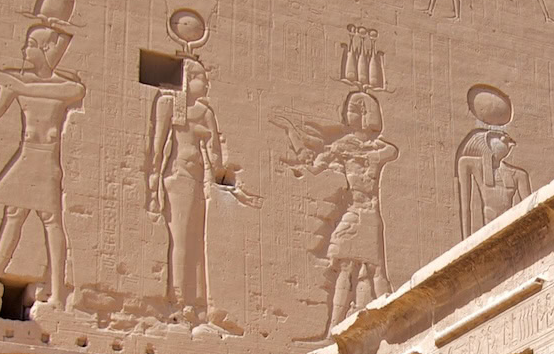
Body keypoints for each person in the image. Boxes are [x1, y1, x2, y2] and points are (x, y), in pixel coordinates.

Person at [0, 25, 86, 310]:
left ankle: (58, 293)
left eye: (31, 44)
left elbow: (25, 88)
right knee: (13, 217)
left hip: (46, 160)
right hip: (27, 155)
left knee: (51, 221)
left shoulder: (67, 85)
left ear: (47, 50)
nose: (25, 50)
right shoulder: (17, 80)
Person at [275, 91, 399, 332]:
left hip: (369, 213)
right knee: (344, 266)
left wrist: (366, 153)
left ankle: (394, 322)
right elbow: (314, 166)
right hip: (353, 210)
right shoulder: (343, 147)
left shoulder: (376, 148)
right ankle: (334, 328)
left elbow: (390, 152)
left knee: (374, 270)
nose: (348, 114)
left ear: (366, 114)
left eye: (354, 109)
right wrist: (293, 133)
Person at [146, 55, 252, 322]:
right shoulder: (168, 105)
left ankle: (195, 302)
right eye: (200, 79)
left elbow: (215, 154)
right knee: (181, 239)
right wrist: (153, 180)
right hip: (177, 177)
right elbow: (159, 145)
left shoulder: (205, 112)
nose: (205, 85)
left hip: (195, 179)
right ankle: (180, 299)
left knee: (196, 243)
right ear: (187, 80)